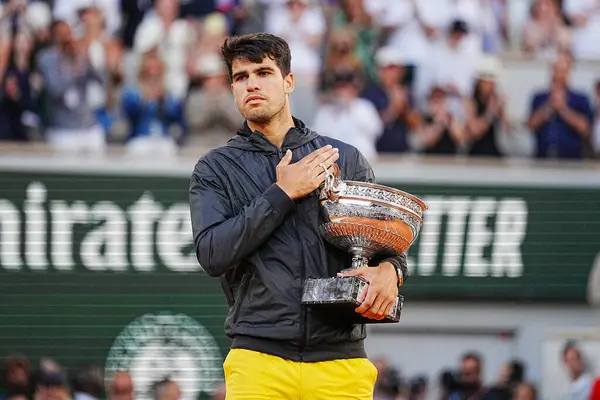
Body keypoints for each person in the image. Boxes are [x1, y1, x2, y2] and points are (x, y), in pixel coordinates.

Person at [189, 32, 408, 399]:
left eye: (263, 72)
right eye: (241, 77)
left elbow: (383, 246)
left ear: (289, 81)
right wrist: (282, 193)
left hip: (341, 361)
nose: (252, 84)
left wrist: (391, 271)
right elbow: (212, 254)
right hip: (259, 360)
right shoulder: (215, 168)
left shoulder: (345, 159)